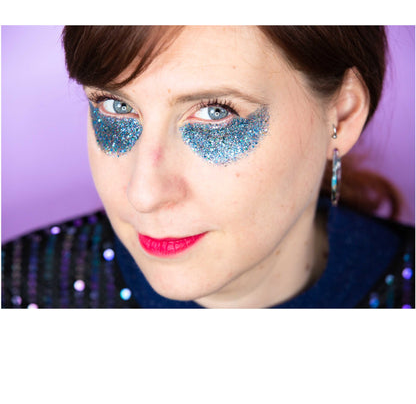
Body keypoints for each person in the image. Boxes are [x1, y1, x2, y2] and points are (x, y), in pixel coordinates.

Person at [2, 26, 414, 309]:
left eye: (216, 113)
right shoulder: (18, 289)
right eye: (115, 106)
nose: (143, 193)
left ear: (341, 114)